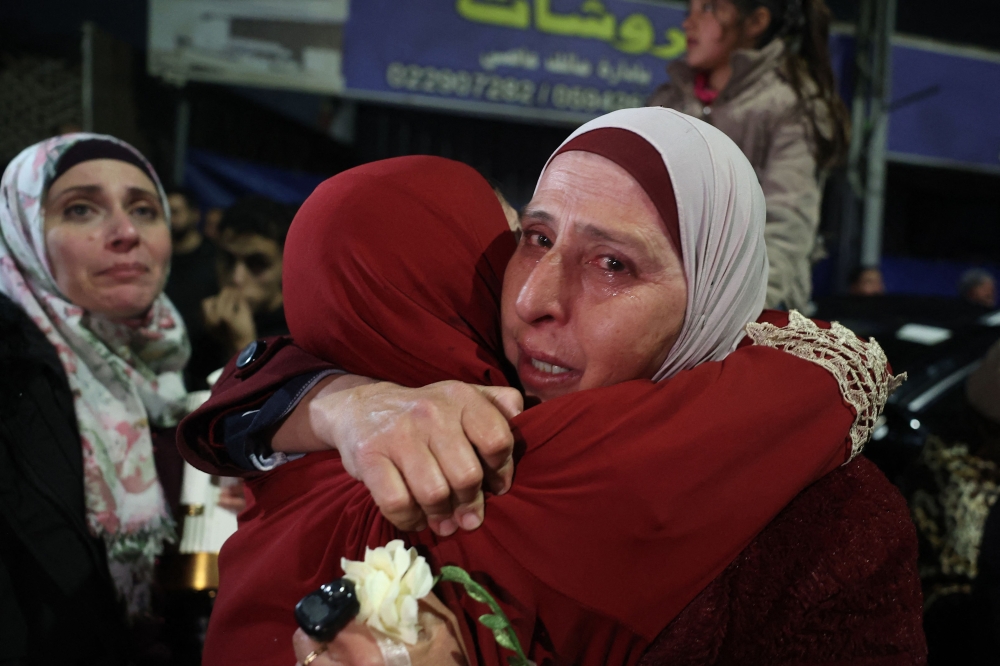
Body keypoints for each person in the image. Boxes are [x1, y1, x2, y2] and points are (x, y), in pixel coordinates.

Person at [179, 109, 922, 665]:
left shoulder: (825, 516)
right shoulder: (404, 446)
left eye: (613, 265)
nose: (535, 296)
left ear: (712, 295)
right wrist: (330, 401)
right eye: (533, 239)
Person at [0, 134, 190, 663]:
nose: (126, 233)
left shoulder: (162, 364)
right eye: (81, 209)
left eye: (144, 209)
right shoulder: (13, 379)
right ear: (21, 233)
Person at [648, 0, 850, 312]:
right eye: (691, 8)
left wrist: (742, 317)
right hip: (670, 306)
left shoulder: (791, 106)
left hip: (751, 314)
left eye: (709, 8)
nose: (689, 23)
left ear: (755, 23)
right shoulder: (668, 101)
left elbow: (786, 229)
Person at [201, 195, 292, 367]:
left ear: (284, 265)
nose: (237, 278)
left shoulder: (296, 337)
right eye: (228, 260)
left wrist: (242, 347)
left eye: (257, 263)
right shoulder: (207, 318)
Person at [163, 186, 219, 390]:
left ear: (195, 214)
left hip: (204, 369)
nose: (170, 219)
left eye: (176, 212)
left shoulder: (215, 260)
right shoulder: (159, 261)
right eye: (165, 212)